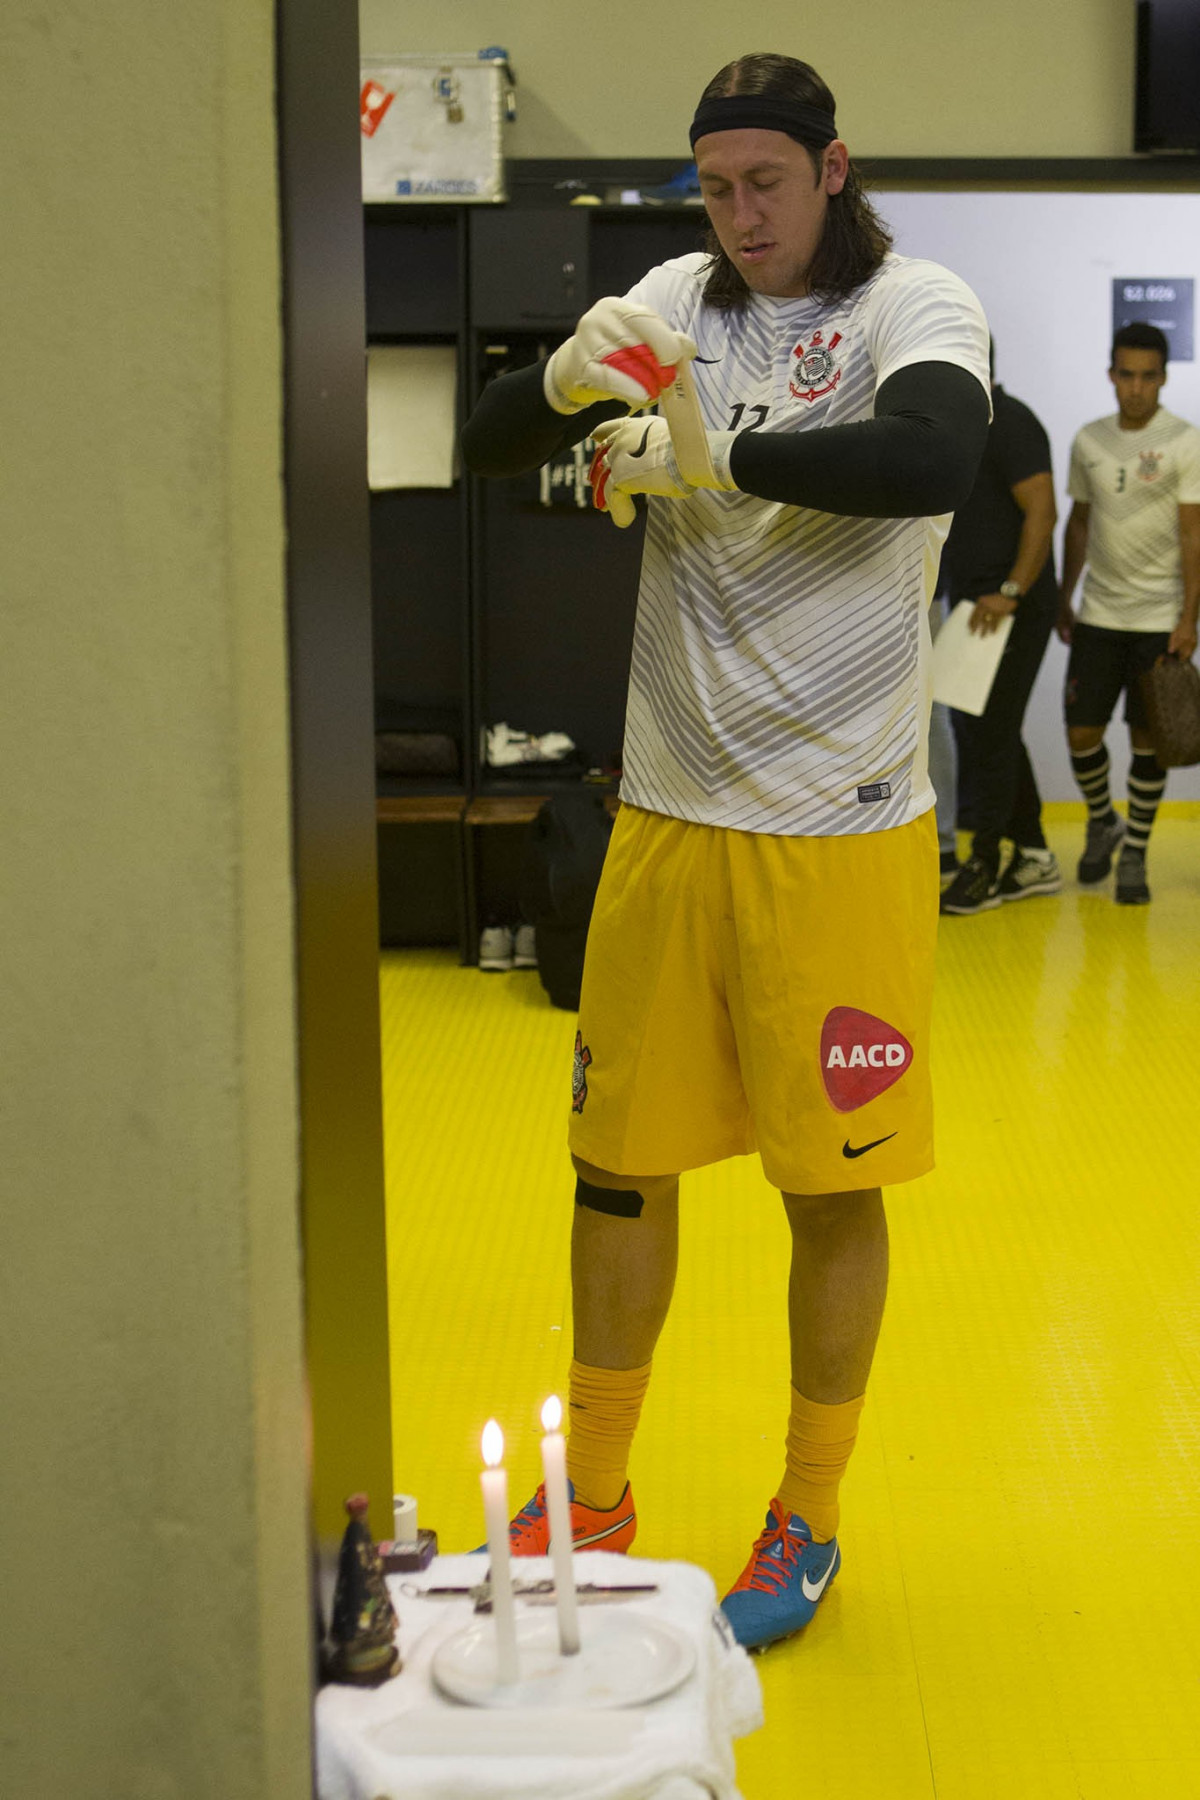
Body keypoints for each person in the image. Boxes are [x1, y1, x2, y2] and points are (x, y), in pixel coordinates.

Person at [462, 52, 989, 1652]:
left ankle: (806, 1514)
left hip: (838, 829)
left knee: (829, 1189)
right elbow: (497, 432)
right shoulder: (678, 294)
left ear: (835, 170)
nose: (738, 214)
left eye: (766, 181)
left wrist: (716, 458)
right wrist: (572, 385)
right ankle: (599, 1488)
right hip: (670, 816)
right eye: (714, 185)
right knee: (616, 1167)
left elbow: (930, 458)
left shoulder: (917, 304)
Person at [1058, 322, 1200, 903]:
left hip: (1158, 620)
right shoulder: (1088, 440)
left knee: (1149, 743)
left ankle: (1135, 852)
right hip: (1097, 614)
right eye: (1126, 375)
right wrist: (1066, 594)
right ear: (1112, 375)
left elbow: (1193, 534)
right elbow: (1081, 522)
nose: (1136, 388)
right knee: (1081, 733)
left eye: (1147, 376)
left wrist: (1190, 618)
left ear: (1163, 378)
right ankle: (1102, 820)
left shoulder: (1185, 441)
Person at [938, 343, 1062, 914]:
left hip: (1011, 606)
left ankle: (984, 861)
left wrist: (1011, 591)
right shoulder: (961, 425)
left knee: (989, 731)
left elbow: (1043, 511)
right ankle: (1033, 853)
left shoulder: (1010, 420)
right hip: (974, 606)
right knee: (986, 730)